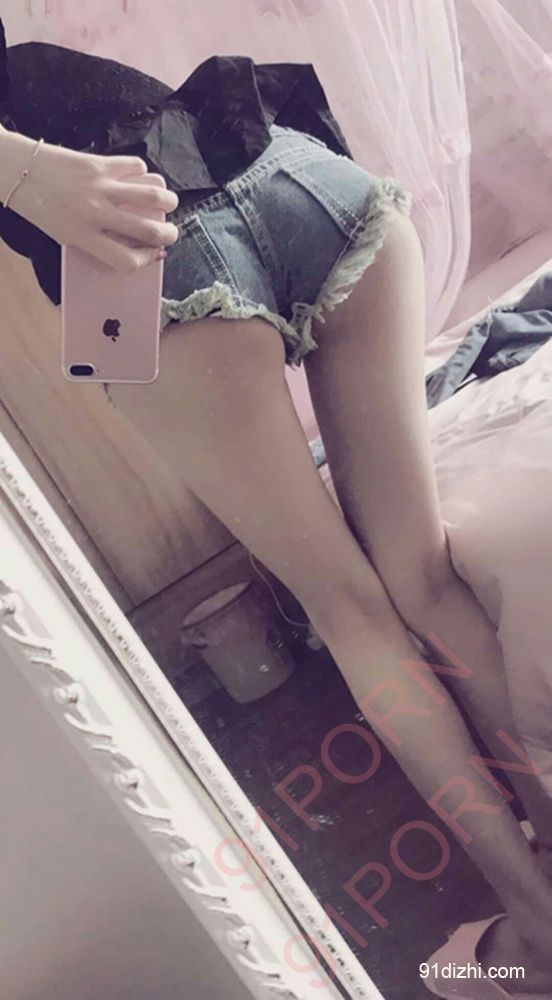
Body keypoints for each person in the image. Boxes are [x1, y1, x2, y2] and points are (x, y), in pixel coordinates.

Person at [1, 26, 552, 1000]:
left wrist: (26, 180)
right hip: (295, 171)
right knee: (423, 576)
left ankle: (537, 934)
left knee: (353, 612)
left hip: (156, 255)